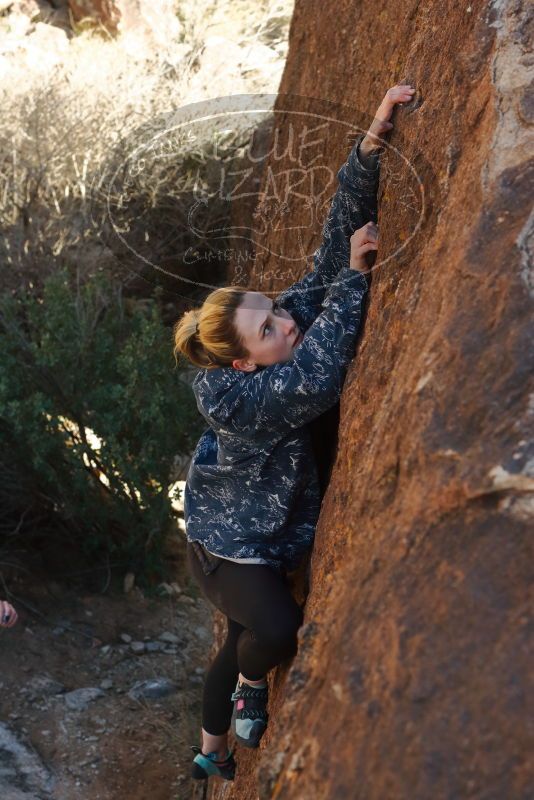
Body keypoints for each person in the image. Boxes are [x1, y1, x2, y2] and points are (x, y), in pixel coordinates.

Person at [173, 84, 416, 782]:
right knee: (270, 632)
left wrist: (367, 151)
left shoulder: (271, 336)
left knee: (242, 635)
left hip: (257, 530)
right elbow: (316, 376)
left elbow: (321, 260)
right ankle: (250, 690)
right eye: (270, 327)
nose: (286, 322)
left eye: (275, 310)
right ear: (244, 360)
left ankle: (207, 755)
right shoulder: (245, 398)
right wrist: (355, 279)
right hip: (227, 550)